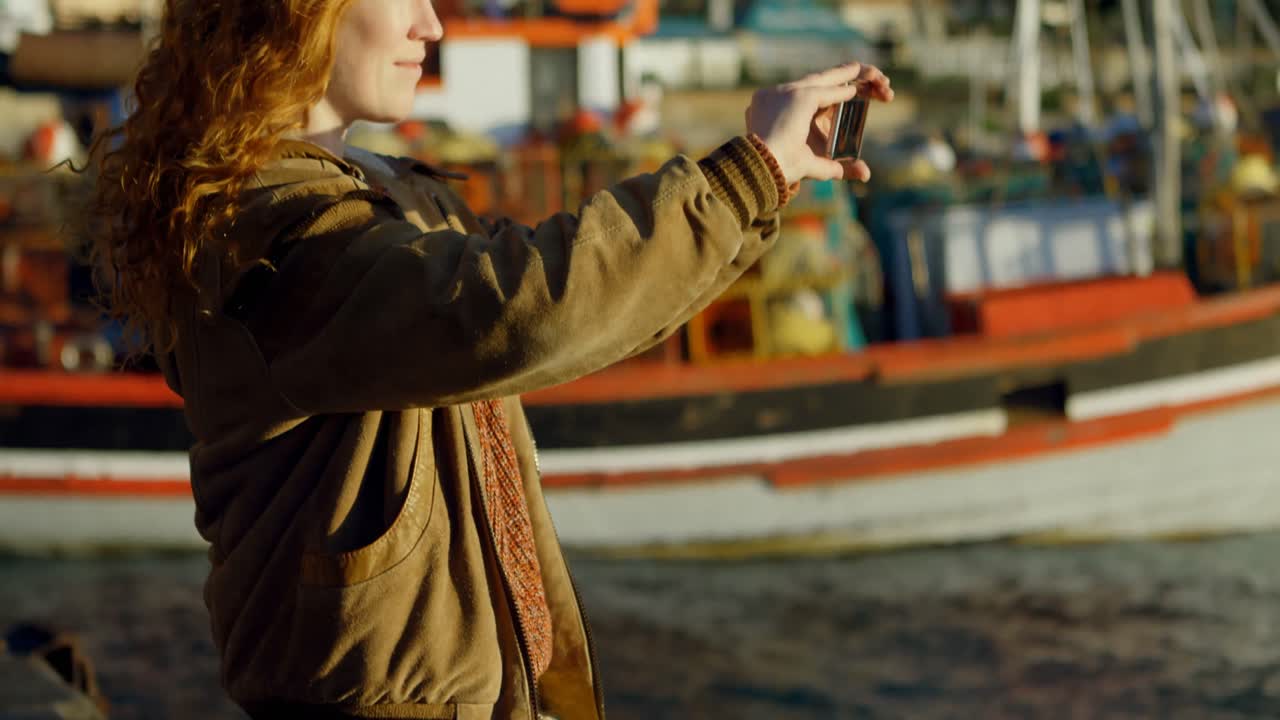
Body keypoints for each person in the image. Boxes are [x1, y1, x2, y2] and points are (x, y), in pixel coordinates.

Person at [80, 0, 893, 718]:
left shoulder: (385, 195)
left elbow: (589, 314)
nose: (431, 24)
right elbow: (521, 308)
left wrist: (765, 185)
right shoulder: (271, 235)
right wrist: (750, 173)